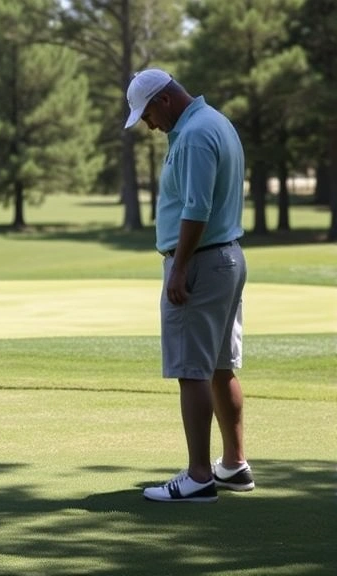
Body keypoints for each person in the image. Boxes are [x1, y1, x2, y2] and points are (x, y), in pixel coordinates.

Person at [124, 69, 255, 503]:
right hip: (225, 258)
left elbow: (197, 207)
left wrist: (179, 268)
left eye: (147, 114)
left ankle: (200, 476)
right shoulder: (215, 121)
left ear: (163, 100)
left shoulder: (196, 134)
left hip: (200, 262)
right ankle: (233, 465)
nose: (147, 124)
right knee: (219, 367)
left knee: (191, 370)